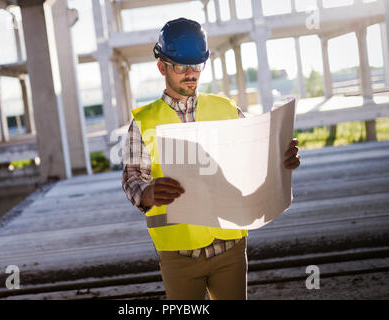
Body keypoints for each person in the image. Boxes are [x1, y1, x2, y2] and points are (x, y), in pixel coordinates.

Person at [121, 17, 300, 300]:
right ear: (162, 66)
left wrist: (281, 157)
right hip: (179, 256)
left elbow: (255, 152)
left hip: (230, 249)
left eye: (197, 65)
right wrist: (148, 192)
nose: (191, 74)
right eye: (181, 67)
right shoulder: (144, 122)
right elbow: (132, 176)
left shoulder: (226, 109)